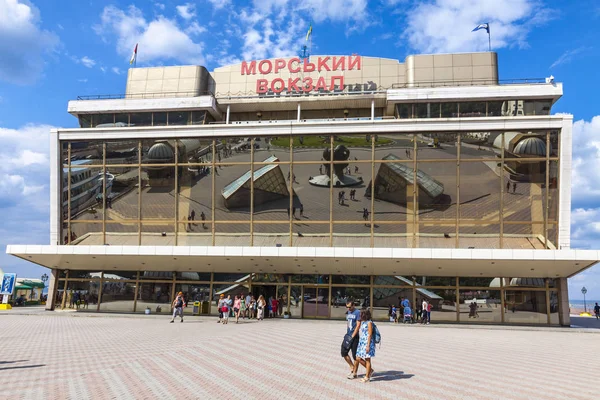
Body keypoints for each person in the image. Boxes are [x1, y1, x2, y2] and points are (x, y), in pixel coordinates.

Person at [350, 309, 376, 382]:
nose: (360, 316)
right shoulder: (363, 322)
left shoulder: (369, 323)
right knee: (357, 357)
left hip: (368, 343)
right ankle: (370, 370)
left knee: (367, 359)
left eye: (361, 314)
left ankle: (367, 377)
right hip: (362, 342)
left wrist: (368, 345)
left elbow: (370, 334)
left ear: (364, 315)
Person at [342, 300, 366, 378]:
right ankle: (352, 367)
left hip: (354, 337)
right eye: (347, 307)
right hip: (348, 335)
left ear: (353, 305)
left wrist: (353, 335)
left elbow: (358, 325)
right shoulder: (349, 312)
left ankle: (355, 373)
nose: (348, 308)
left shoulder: (357, 312)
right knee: (344, 352)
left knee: (355, 356)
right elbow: (348, 323)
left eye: (349, 307)